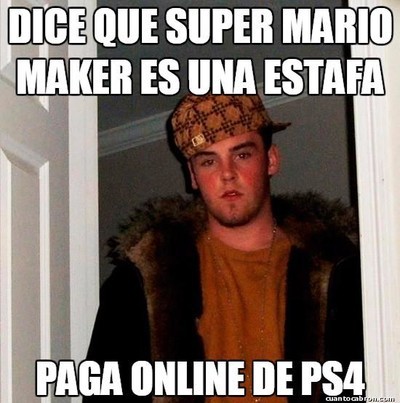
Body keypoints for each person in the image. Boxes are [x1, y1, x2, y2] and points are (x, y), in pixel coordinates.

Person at [85, 94, 364, 402]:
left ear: (271, 160)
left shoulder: (341, 273)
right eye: (208, 161)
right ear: (193, 176)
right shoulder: (142, 280)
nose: (227, 173)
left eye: (242, 155)